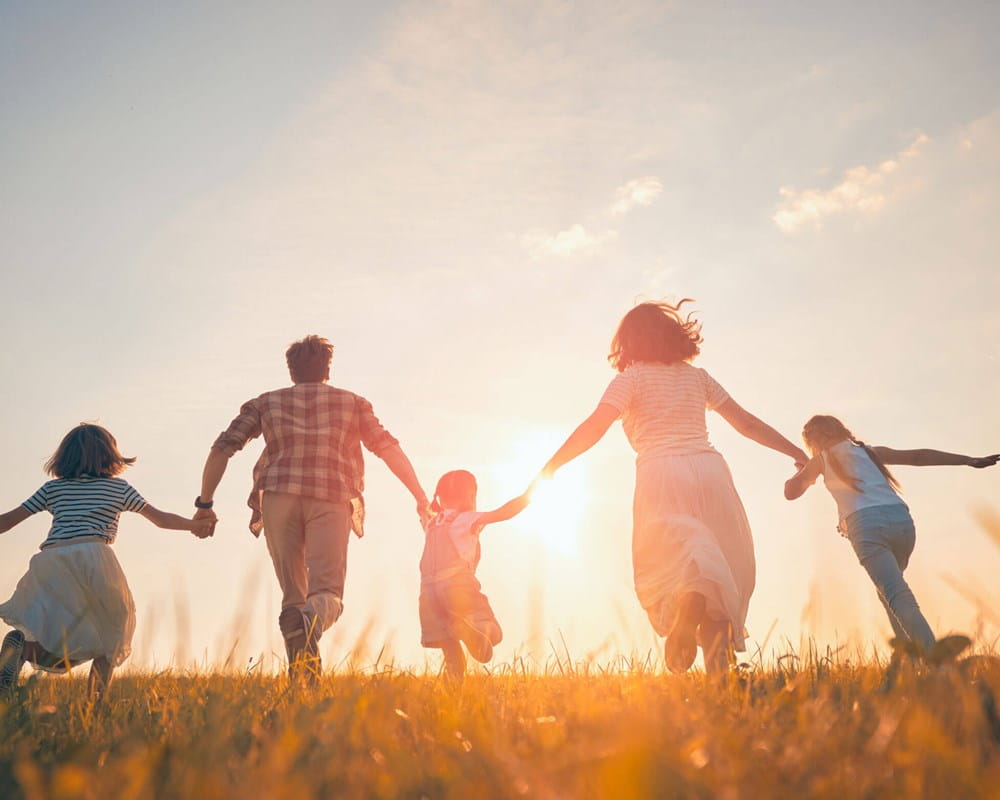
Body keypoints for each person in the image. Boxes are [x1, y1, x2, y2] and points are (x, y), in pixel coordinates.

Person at [538, 300, 807, 674]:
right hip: (712, 472)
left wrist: (551, 467)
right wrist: (797, 453)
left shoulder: (630, 379)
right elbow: (745, 423)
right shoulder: (698, 378)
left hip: (661, 472)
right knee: (721, 568)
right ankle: (720, 679)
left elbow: (595, 426)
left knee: (675, 562)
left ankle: (688, 604)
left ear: (628, 342)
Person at [193, 335, 428, 681]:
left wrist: (205, 504)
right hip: (330, 494)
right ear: (327, 369)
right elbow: (387, 448)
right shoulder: (352, 403)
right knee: (327, 593)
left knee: (294, 595)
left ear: (291, 371)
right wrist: (420, 496)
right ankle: (306, 641)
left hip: (278, 497)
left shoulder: (265, 403)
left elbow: (222, 448)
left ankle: (303, 682)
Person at [0, 423, 212, 700]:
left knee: (58, 631)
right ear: (109, 456)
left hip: (51, 560)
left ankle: (22, 651)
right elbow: (161, 519)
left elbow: (7, 521)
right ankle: (95, 705)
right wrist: (194, 526)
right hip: (94, 557)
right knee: (113, 630)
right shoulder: (118, 488)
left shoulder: (53, 489)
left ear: (64, 457)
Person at [784, 414, 998, 657]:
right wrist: (969, 460)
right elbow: (918, 457)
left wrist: (802, 471)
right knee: (889, 592)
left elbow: (790, 492)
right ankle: (910, 660)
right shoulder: (869, 452)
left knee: (897, 595)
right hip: (902, 523)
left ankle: (938, 665)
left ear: (813, 440)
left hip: (866, 526)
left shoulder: (821, 459)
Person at [419, 470, 529, 679]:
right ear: (471, 496)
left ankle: (453, 693)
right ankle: (467, 629)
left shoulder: (431, 522)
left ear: (440, 499)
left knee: (450, 650)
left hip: (428, 594)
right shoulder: (466, 518)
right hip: (456, 585)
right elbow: (504, 513)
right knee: (493, 634)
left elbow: (422, 510)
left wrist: (421, 500)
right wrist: (529, 494)